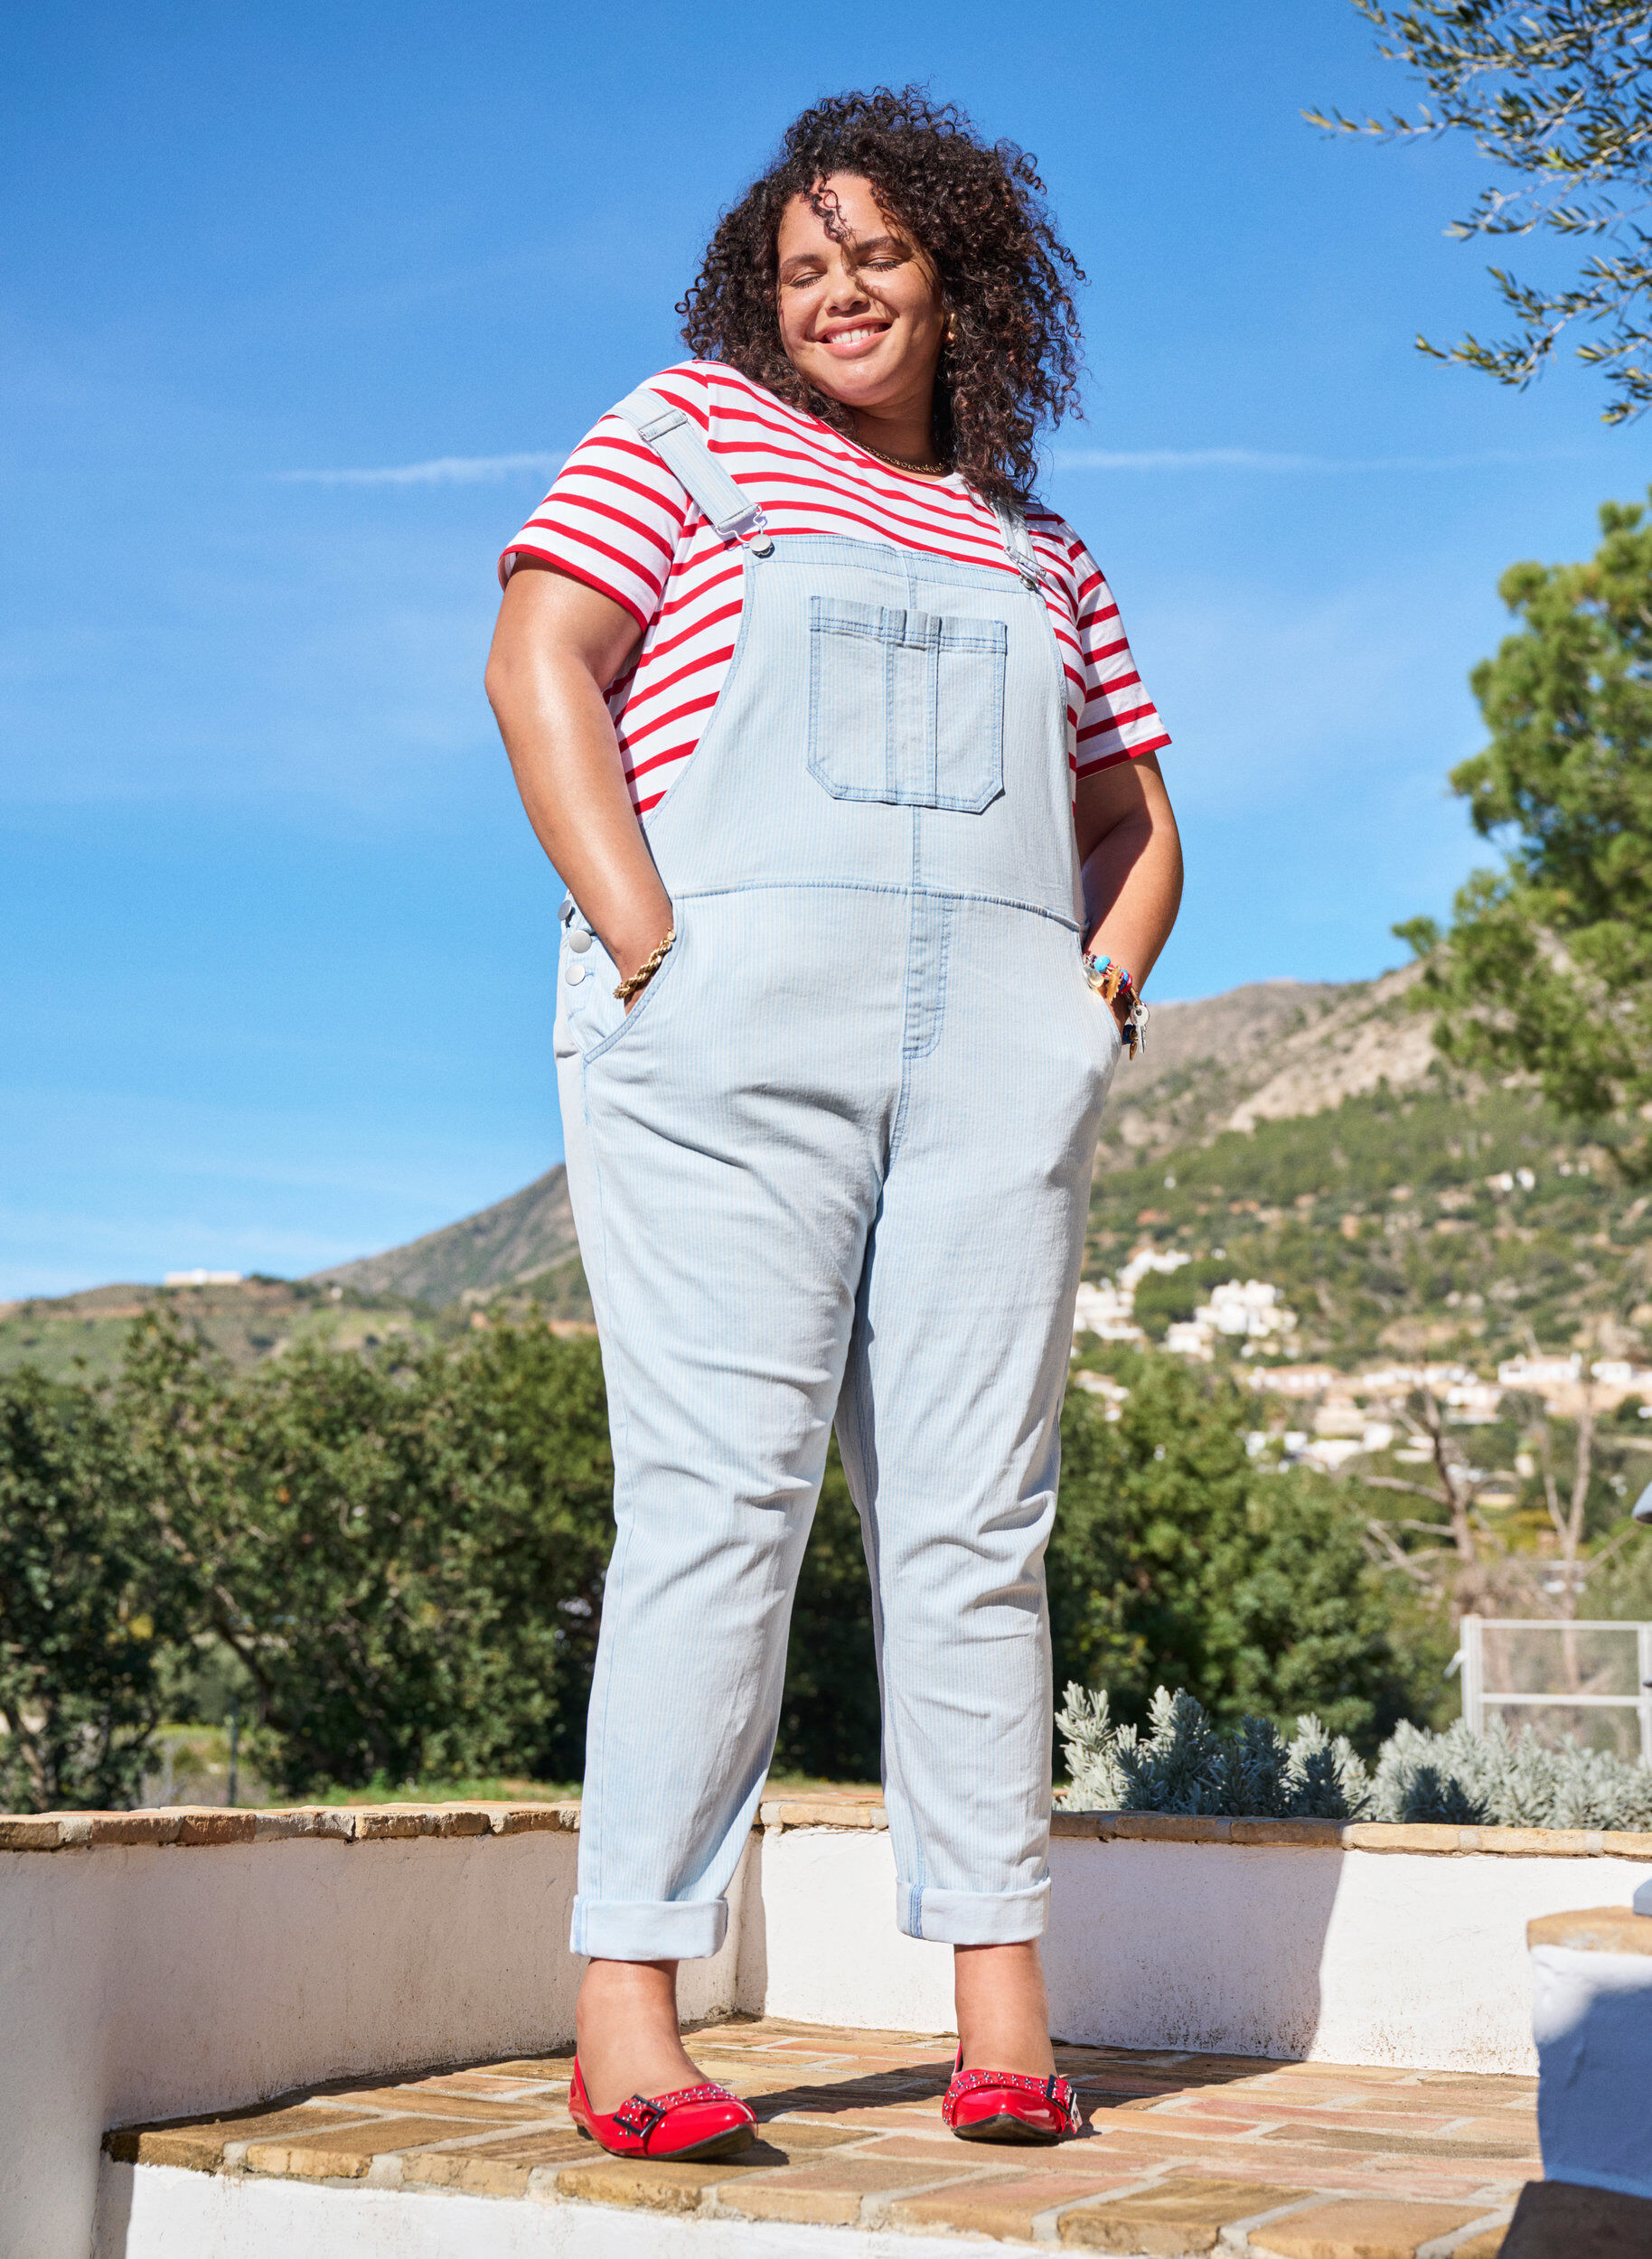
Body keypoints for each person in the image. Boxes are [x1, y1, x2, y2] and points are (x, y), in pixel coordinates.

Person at [485, 87, 1182, 2161]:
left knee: (978, 1528)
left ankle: (1001, 2016)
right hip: (724, 1029)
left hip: (998, 1054)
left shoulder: (1034, 539)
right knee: (718, 1499)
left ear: (960, 271)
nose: (836, 290)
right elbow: (543, 662)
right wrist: (648, 949)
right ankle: (629, 2007)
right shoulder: (681, 433)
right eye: (801, 264)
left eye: (875, 252)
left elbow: (1132, 817)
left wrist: (1090, 1002)